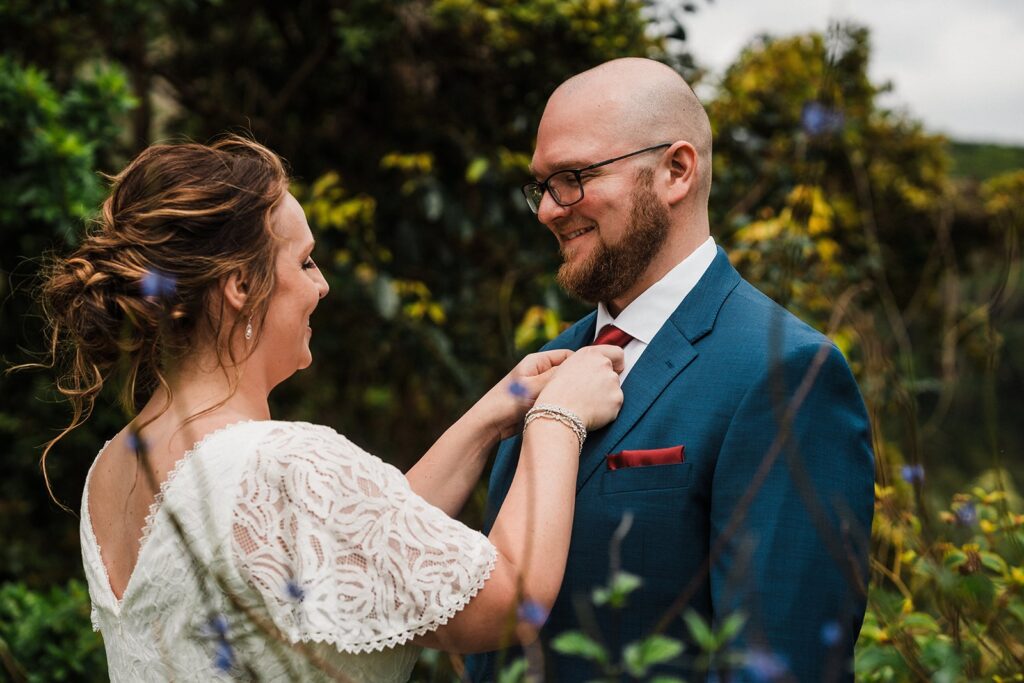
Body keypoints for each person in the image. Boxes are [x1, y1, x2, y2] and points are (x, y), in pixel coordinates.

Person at [33, 136, 626, 681]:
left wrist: (493, 413)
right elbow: (507, 602)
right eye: (305, 261)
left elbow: (358, 543)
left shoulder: (110, 472)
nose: (321, 287)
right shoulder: (283, 460)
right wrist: (559, 419)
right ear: (241, 284)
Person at [467, 58, 875, 682]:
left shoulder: (787, 373)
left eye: (573, 177)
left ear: (675, 171)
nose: (550, 209)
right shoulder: (545, 368)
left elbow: (780, 663)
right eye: (541, 185)